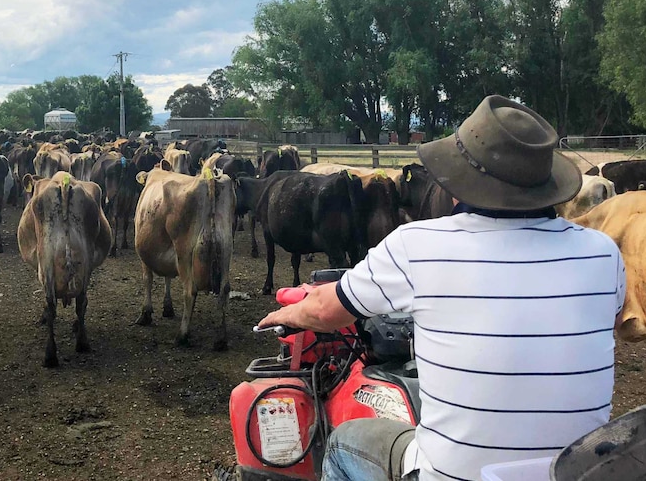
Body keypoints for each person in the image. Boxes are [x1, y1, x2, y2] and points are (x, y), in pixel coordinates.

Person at [257, 95, 626, 481]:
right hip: (580, 472)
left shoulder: (417, 245)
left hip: (451, 475)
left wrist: (289, 312)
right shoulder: (602, 252)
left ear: (458, 184)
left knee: (344, 441)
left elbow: (323, 312)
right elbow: (609, 321)